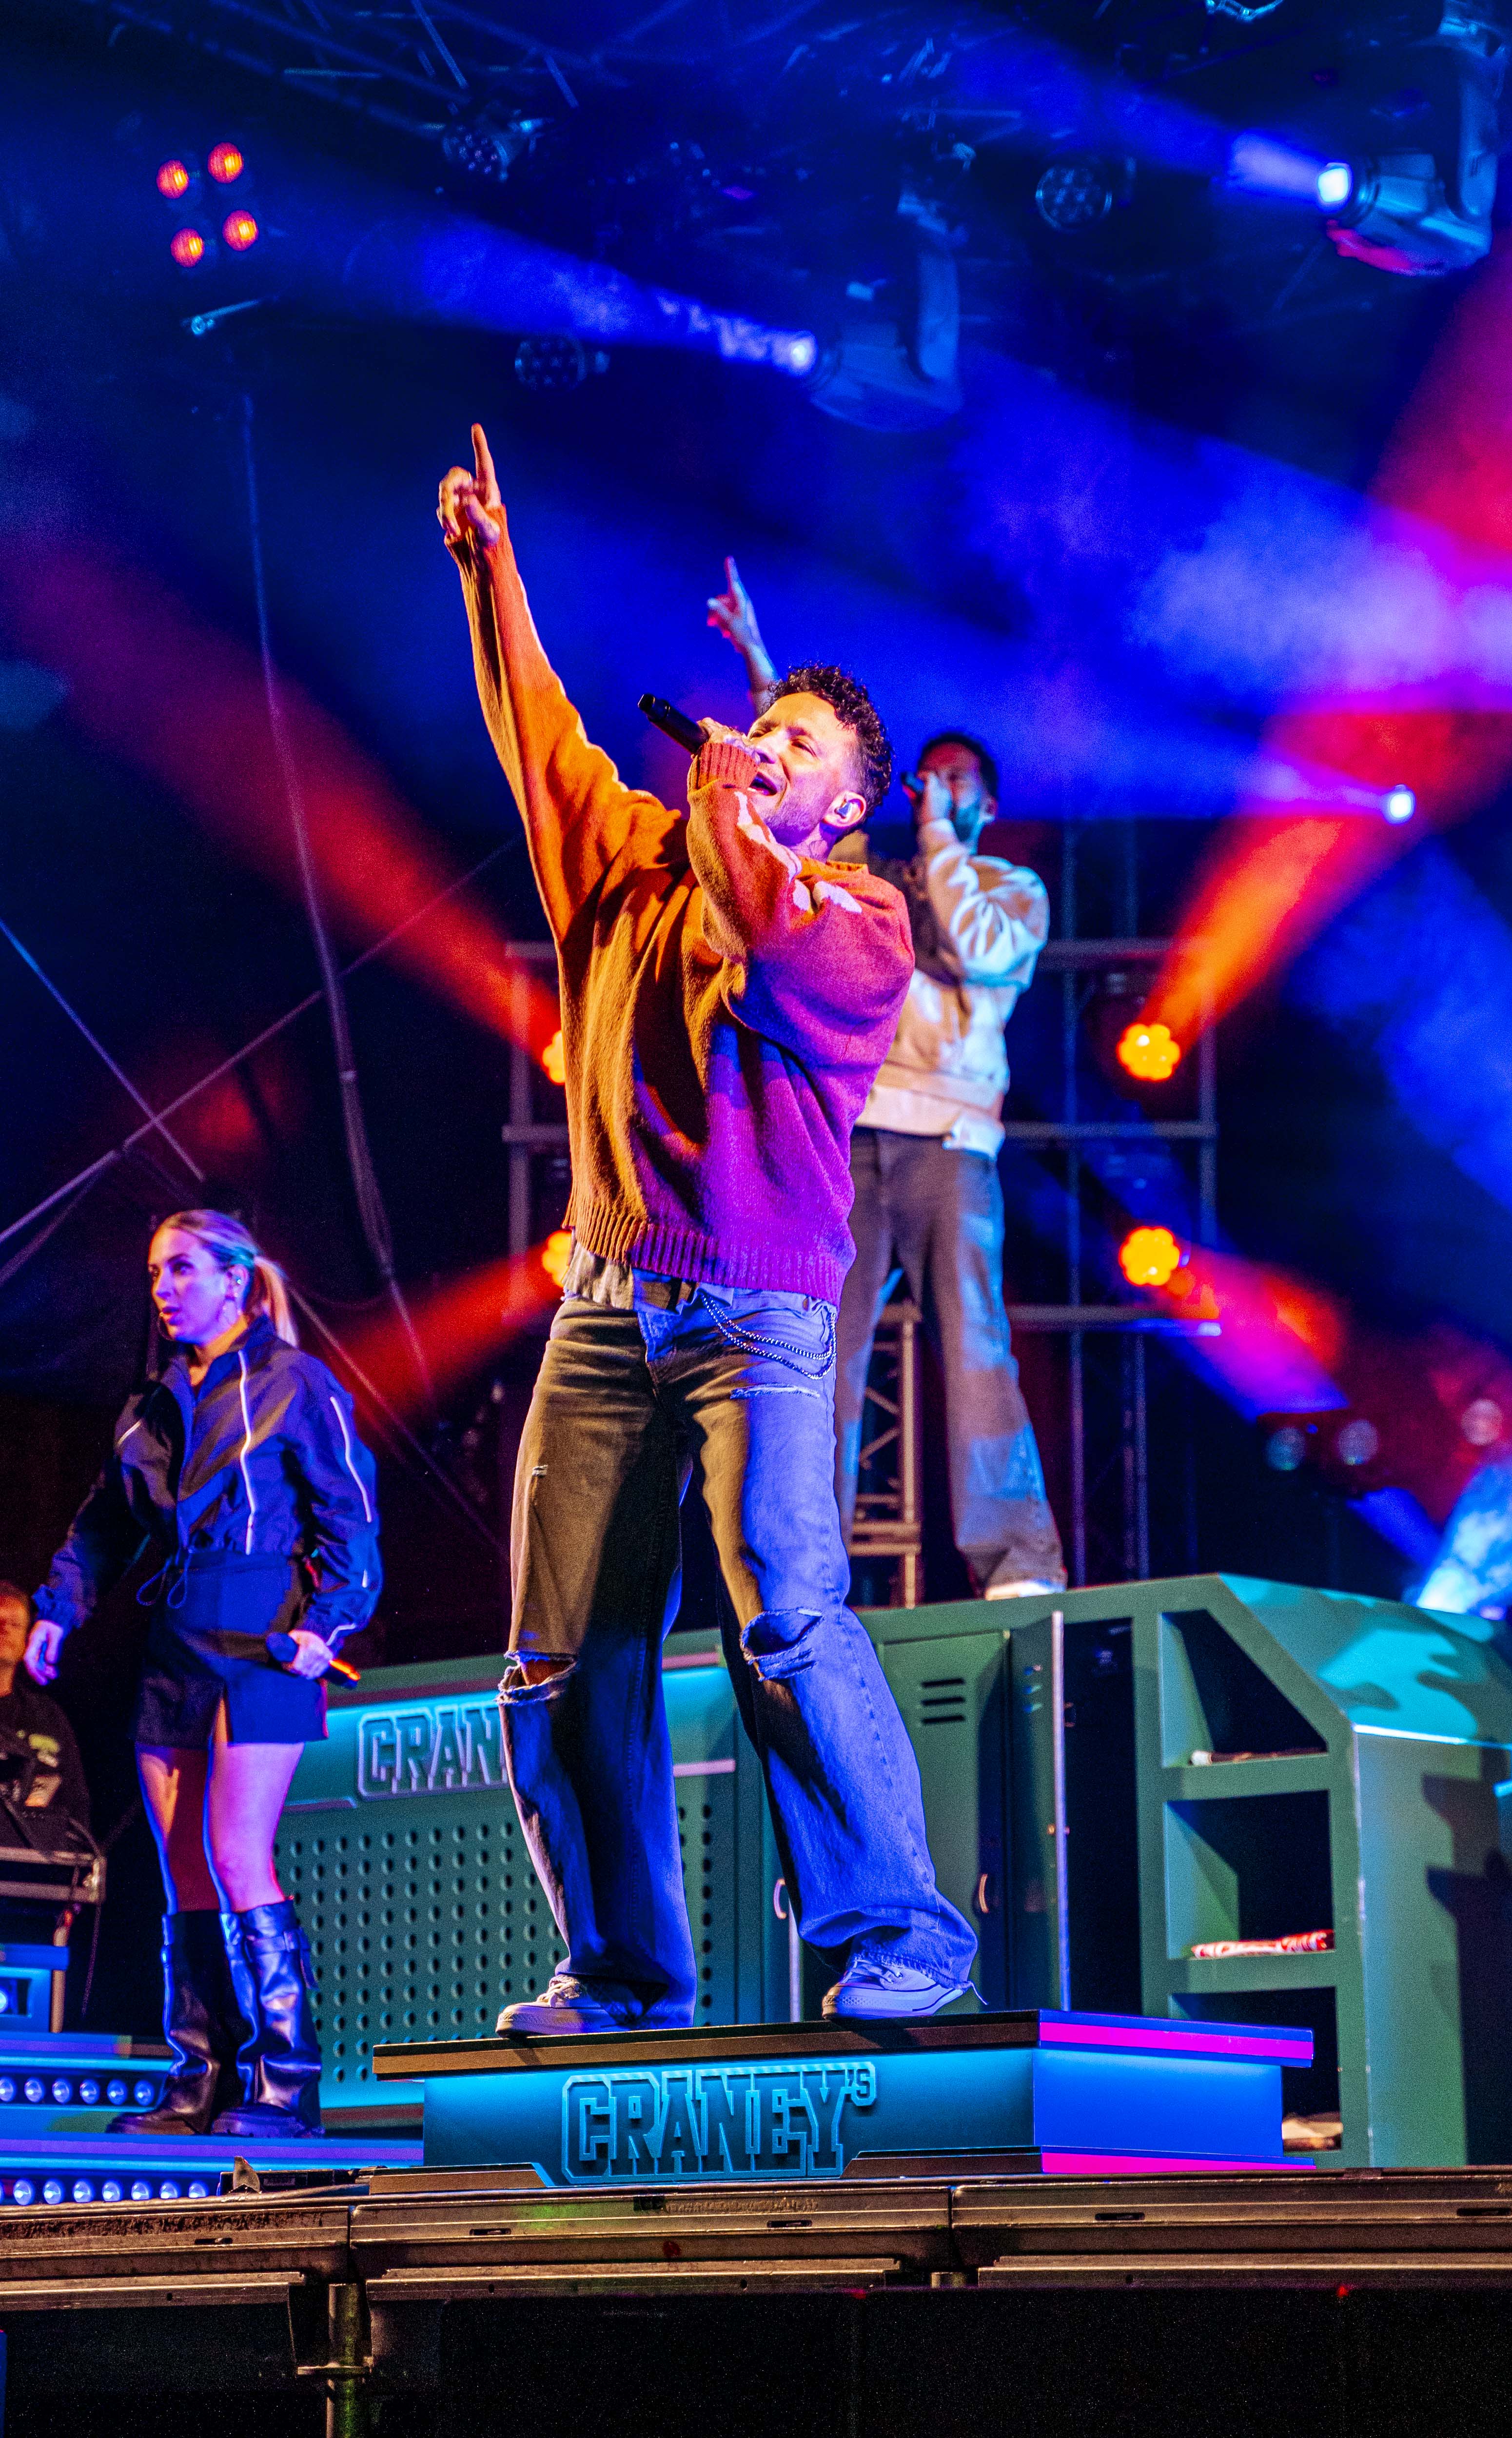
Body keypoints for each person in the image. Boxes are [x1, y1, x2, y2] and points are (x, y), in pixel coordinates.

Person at [439, 424, 976, 2030]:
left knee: (785, 1611)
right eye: (759, 727)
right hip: (608, 1304)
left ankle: (905, 1935)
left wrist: (731, 810)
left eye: (793, 744)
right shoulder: (629, 868)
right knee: (556, 1653)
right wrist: (491, 575)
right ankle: (619, 1972)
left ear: (849, 805)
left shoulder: (864, 923)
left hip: (760, 1316)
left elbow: (762, 929)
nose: (759, 746)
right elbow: (539, 740)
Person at [708, 559, 1066, 1597]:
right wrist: (761, 665)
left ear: (987, 802)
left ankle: (1015, 1561)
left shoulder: (1008, 888)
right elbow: (803, 799)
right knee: (821, 1353)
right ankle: (803, 1567)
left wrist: (942, 839)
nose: (936, 790)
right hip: (853, 1139)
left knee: (976, 1350)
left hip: (952, 1148)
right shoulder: (875, 874)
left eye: (958, 780)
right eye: (927, 777)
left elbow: (980, 952)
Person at [28, 1211, 380, 2138]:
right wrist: (58, 1608)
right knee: (183, 1867)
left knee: (234, 1855)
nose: (165, 1288)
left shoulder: (294, 1382)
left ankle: (286, 2084)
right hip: (177, 1638)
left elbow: (351, 1516)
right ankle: (199, 2077)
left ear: (235, 1280)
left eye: (182, 1269)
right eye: (156, 1272)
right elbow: (104, 1523)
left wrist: (325, 1626)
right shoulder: (149, 1405)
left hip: (265, 1637)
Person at [0, 1583, 90, 1828]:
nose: (5, 1629)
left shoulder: (47, 1715)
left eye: (15, 1624)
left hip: (33, 1848)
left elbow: (76, 1799)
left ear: (26, 1641)